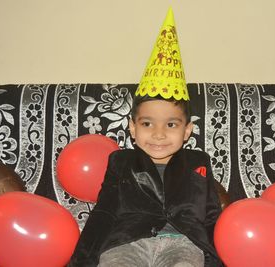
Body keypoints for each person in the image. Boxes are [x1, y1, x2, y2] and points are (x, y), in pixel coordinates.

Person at [68, 7, 223, 267]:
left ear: (187, 130)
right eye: (147, 123)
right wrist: (82, 259)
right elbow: (104, 211)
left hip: (183, 243)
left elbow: (211, 216)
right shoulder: (121, 161)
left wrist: (219, 259)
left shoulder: (199, 161)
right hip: (127, 241)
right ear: (132, 128)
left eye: (171, 124)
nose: (159, 134)